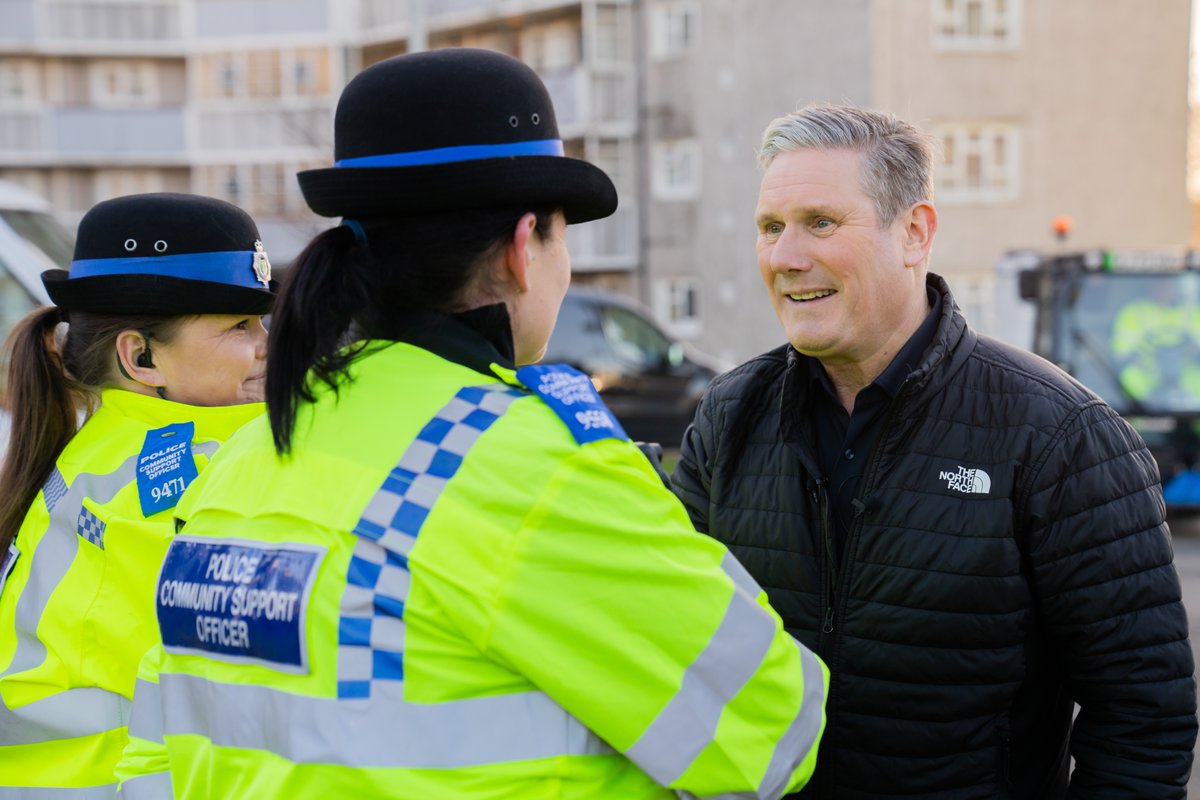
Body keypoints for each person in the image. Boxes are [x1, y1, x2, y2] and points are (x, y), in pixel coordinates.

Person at [115, 48, 828, 799]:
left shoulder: (243, 459)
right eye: (562, 237)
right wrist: (641, 508)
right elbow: (771, 733)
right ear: (526, 249)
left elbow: (152, 762)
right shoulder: (532, 467)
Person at [670, 103, 1198, 798]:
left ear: (914, 233)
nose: (786, 257)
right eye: (771, 228)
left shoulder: (1060, 434)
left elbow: (1142, 716)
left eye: (821, 223)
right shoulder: (730, 415)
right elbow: (679, 648)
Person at [0, 192, 274, 796]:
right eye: (239, 325)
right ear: (140, 356)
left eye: (262, 321)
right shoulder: (187, 478)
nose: (266, 344)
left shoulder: (112, 448)